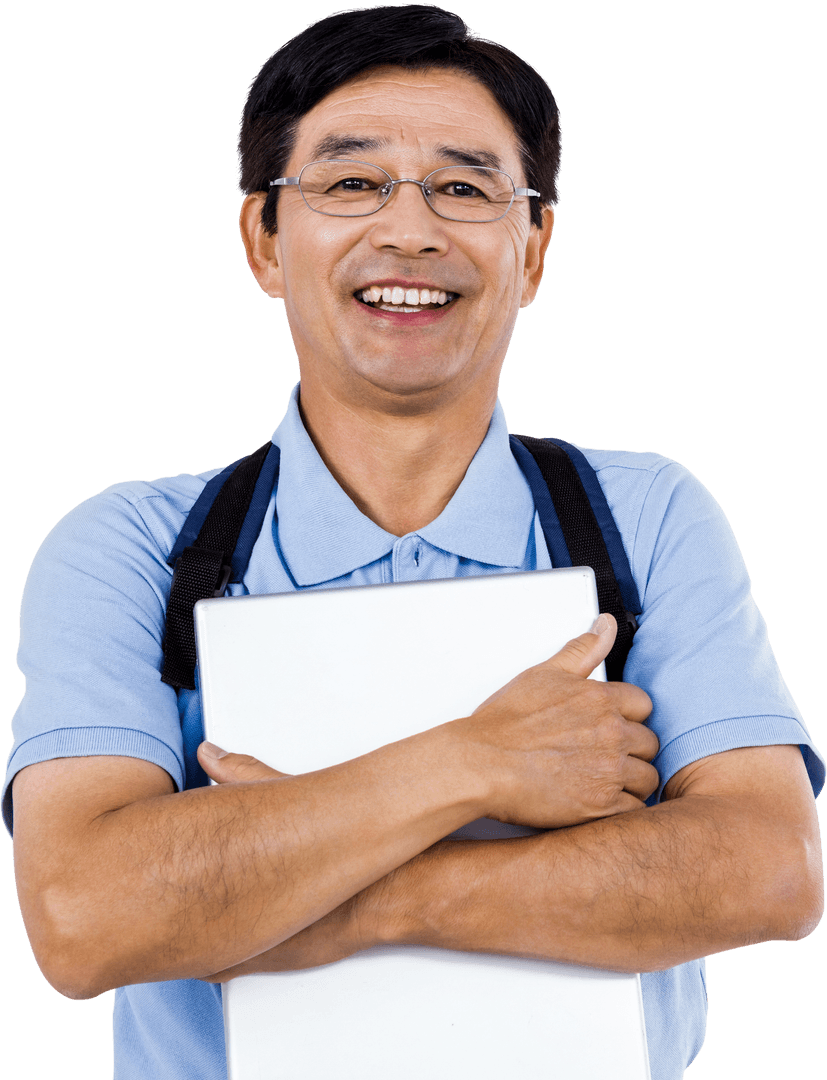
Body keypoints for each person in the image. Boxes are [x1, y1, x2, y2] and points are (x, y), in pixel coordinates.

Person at [4, 5, 824, 1079]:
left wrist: (326, 903)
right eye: (351, 184)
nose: (411, 230)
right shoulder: (127, 547)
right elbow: (84, 920)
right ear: (263, 239)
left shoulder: (646, 516)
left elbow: (767, 872)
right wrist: (481, 762)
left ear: (530, 249)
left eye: (465, 187)